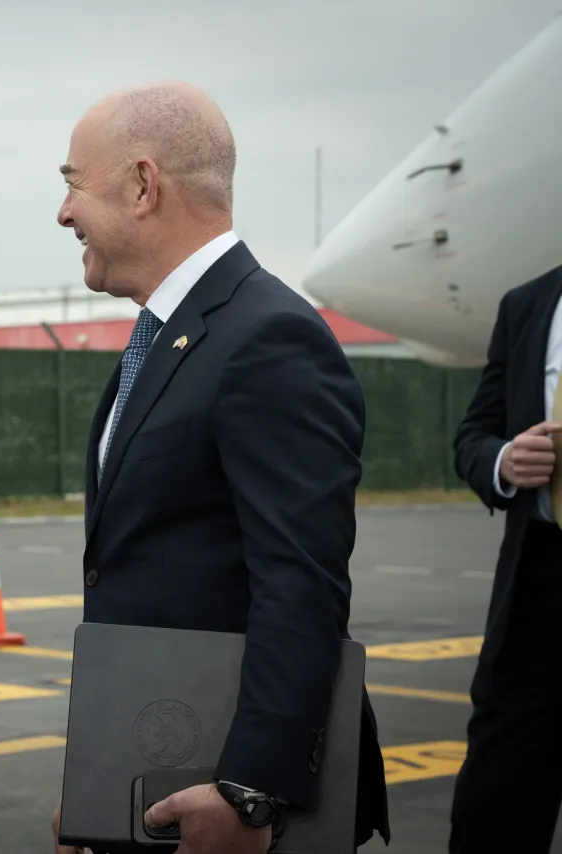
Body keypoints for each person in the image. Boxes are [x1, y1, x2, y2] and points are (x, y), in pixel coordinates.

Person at [48, 82, 390, 853]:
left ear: (142, 184)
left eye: (71, 185)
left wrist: (252, 792)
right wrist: (98, 786)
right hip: (153, 773)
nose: (63, 213)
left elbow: (301, 584)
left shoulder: (269, 339)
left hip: (231, 801)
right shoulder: (169, 336)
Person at [448, 269, 562, 853]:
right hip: (537, 585)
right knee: (494, 811)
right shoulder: (526, 306)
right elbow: (472, 435)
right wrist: (504, 461)